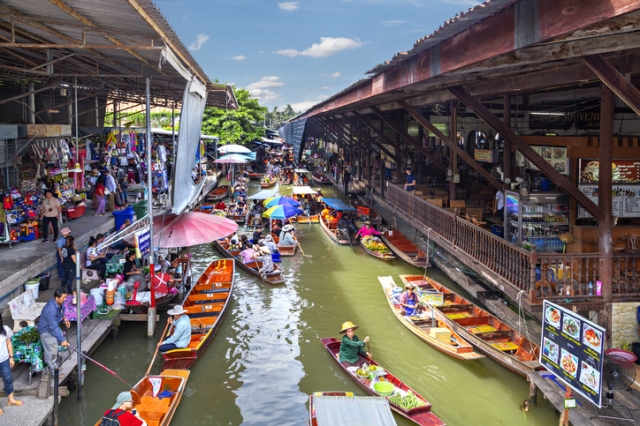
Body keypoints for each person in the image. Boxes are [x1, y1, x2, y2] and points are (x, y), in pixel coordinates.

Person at [37, 289, 70, 376]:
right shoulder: (51, 309)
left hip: (52, 327)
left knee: (53, 349)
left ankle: (54, 367)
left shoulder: (59, 303)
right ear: (57, 298)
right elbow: (53, 327)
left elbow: (62, 311)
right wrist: (62, 340)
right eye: (64, 298)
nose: (65, 299)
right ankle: (54, 373)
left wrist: (65, 319)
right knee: (52, 351)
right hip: (46, 330)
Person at [0, 316, 23, 414]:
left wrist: (11, 357)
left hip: (4, 360)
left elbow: (9, 343)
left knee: (8, 380)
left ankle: (11, 399)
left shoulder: (4, 330)